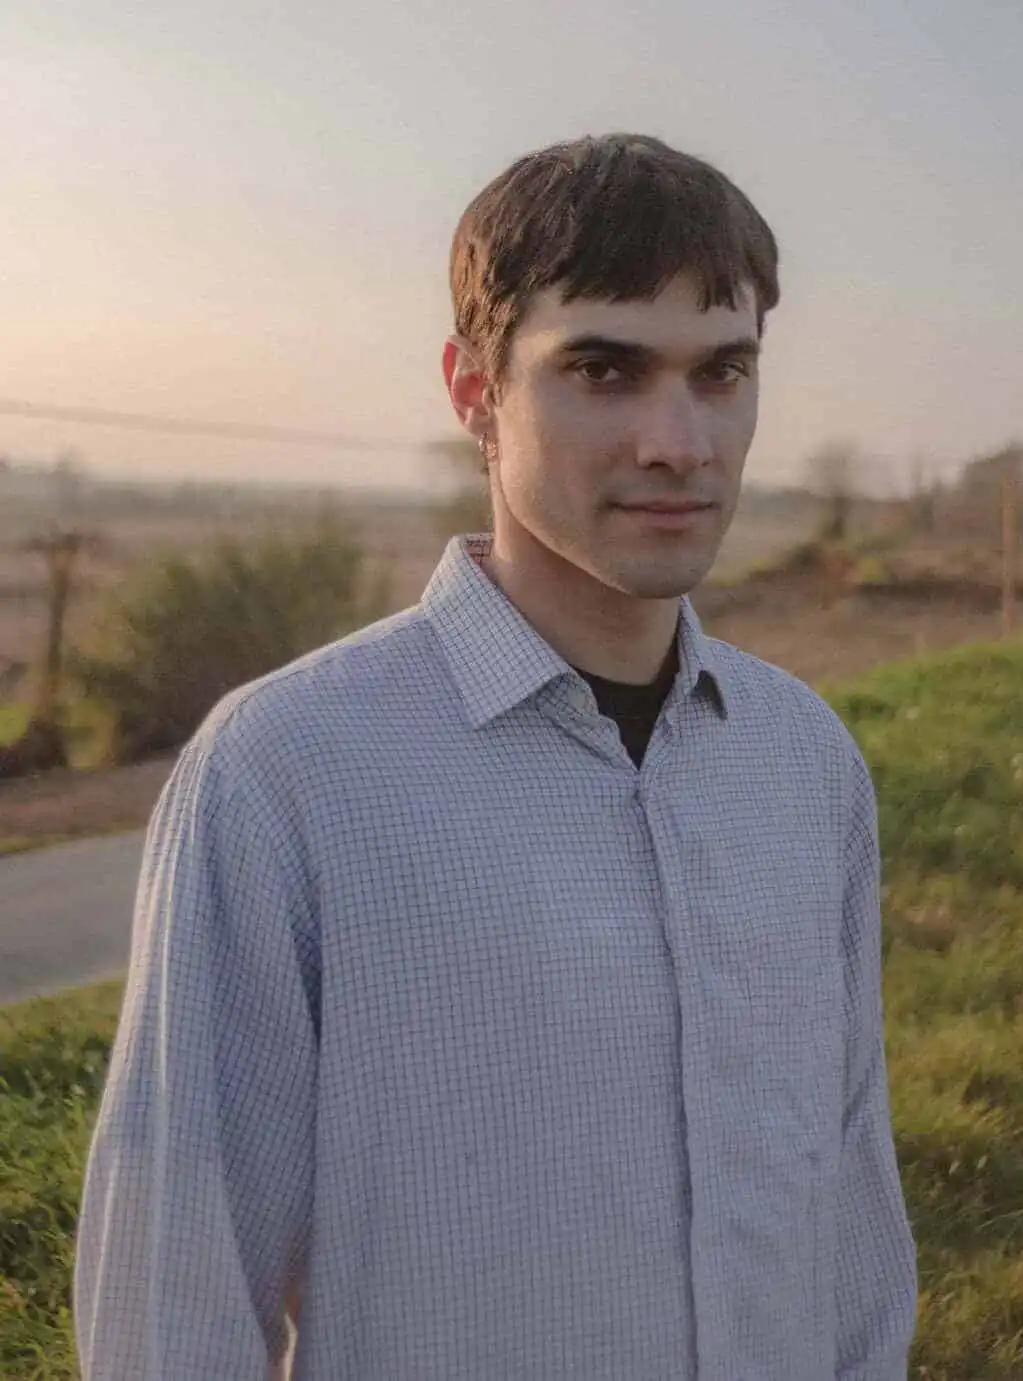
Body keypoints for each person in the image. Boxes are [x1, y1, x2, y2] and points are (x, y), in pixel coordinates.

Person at [74, 132, 917, 1380]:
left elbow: (847, 1214)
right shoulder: (285, 772)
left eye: (721, 372)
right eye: (605, 369)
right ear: (474, 390)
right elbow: (173, 1301)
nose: (679, 440)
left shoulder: (805, 764)